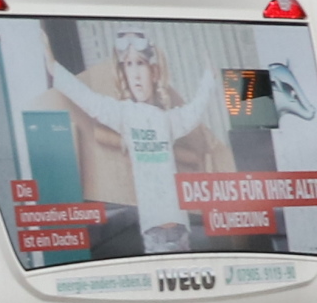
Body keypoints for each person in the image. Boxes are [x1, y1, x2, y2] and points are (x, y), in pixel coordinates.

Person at [43, 27, 212, 252]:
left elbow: (196, 109)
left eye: (140, 63)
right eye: (128, 65)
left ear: (153, 71)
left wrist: (210, 75)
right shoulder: (124, 114)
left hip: (181, 228)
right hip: (153, 232)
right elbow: (87, 99)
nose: (135, 74)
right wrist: (53, 66)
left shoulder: (168, 120)